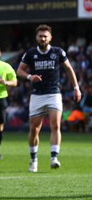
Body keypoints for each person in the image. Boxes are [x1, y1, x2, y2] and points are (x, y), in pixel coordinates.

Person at [17, 24, 82, 173]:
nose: (43, 38)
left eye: (45, 36)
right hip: (37, 95)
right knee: (34, 129)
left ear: (50, 37)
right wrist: (29, 76)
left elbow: (69, 69)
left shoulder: (58, 52)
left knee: (56, 125)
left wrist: (76, 87)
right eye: (40, 36)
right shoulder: (31, 53)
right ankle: (34, 160)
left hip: (54, 93)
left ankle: (54, 158)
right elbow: (19, 70)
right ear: (36, 37)